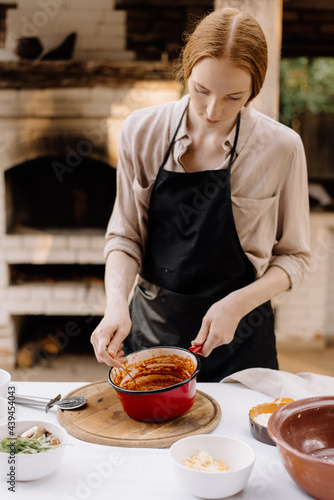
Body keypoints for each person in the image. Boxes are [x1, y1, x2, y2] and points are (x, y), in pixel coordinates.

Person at [90, 7, 312, 382]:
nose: (212, 110)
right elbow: (124, 237)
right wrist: (115, 305)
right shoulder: (141, 132)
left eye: (233, 97)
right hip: (153, 332)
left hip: (242, 340)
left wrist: (237, 304)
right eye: (201, 90)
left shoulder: (282, 148)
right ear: (187, 72)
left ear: (253, 90)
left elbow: (296, 258)